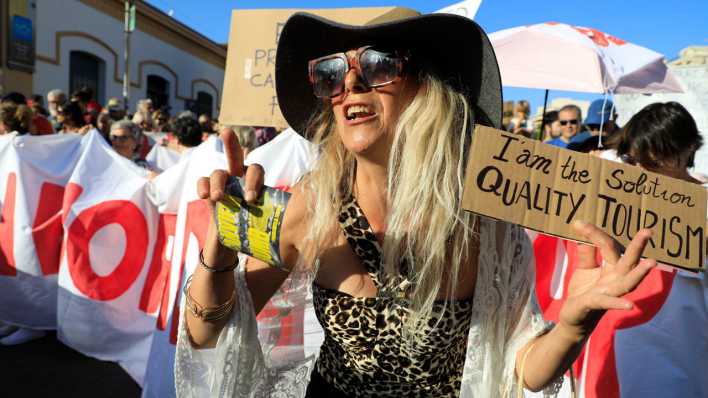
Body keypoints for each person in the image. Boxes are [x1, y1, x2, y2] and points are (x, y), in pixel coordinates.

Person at [176, 11, 657, 397]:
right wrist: (218, 251)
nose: (351, 87)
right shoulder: (313, 203)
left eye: (379, 65)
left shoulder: (482, 218)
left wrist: (573, 324)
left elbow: (523, 370)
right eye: (332, 74)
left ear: (429, 88)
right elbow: (209, 336)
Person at [604, 101, 708, 397]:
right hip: (622, 350)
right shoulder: (621, 199)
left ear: (687, 149)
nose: (641, 171)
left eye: (654, 160)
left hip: (685, 354)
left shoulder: (704, 204)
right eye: (634, 160)